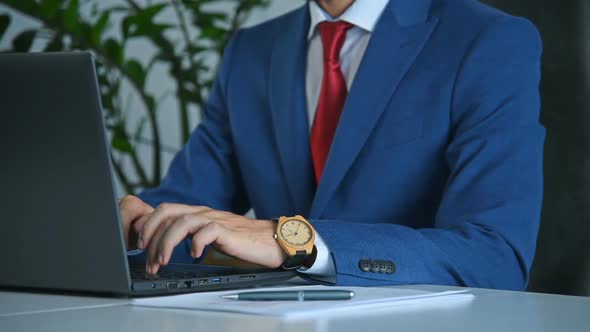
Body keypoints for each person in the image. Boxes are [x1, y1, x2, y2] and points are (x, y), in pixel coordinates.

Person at [119, 0, 544, 289]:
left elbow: (495, 256)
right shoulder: (250, 51)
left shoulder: (488, 40)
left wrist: (292, 240)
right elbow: (182, 211)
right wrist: (130, 223)